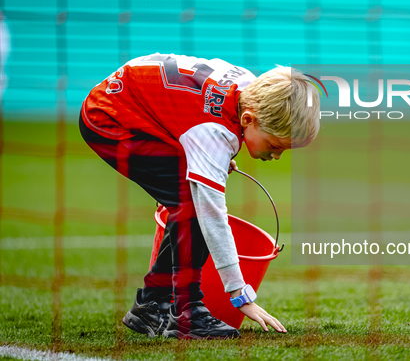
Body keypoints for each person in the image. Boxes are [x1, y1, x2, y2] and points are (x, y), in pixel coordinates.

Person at [79, 53, 320, 339]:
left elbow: (190, 113)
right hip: (110, 119)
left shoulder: (250, 91)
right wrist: (240, 294)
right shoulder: (214, 133)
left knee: (189, 199)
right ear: (248, 118)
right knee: (195, 205)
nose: (277, 156)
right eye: (275, 145)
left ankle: (152, 302)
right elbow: (212, 216)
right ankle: (186, 313)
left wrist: (210, 156)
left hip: (136, 105)